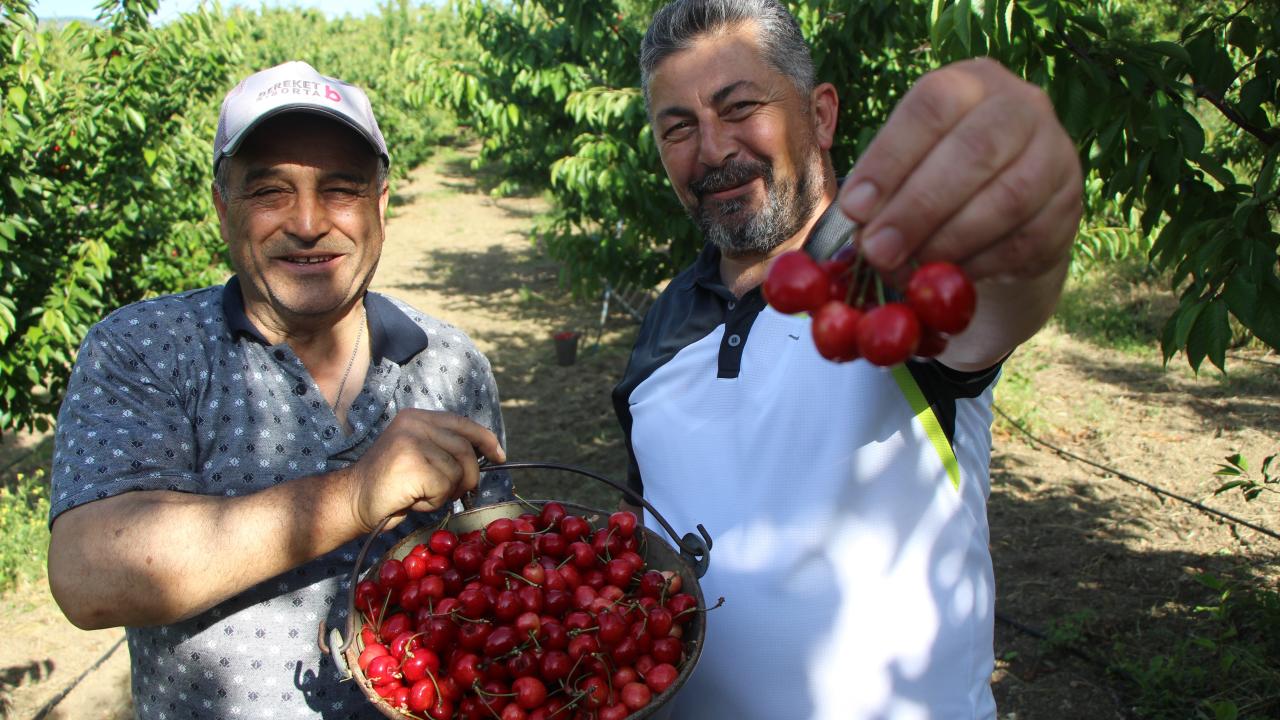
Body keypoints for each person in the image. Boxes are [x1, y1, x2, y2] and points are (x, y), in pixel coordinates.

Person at [613, 1, 1082, 718]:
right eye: (678, 128)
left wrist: (1033, 191)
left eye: (740, 107)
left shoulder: (897, 277)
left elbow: (1003, 292)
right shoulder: (664, 324)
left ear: (822, 116)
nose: (711, 150)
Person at [46, 61, 511, 720]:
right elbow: (89, 575)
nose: (308, 222)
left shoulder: (451, 365)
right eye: (269, 191)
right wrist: (352, 496)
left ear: (380, 206)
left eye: (340, 189)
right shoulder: (147, 349)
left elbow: (495, 562)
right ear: (221, 208)